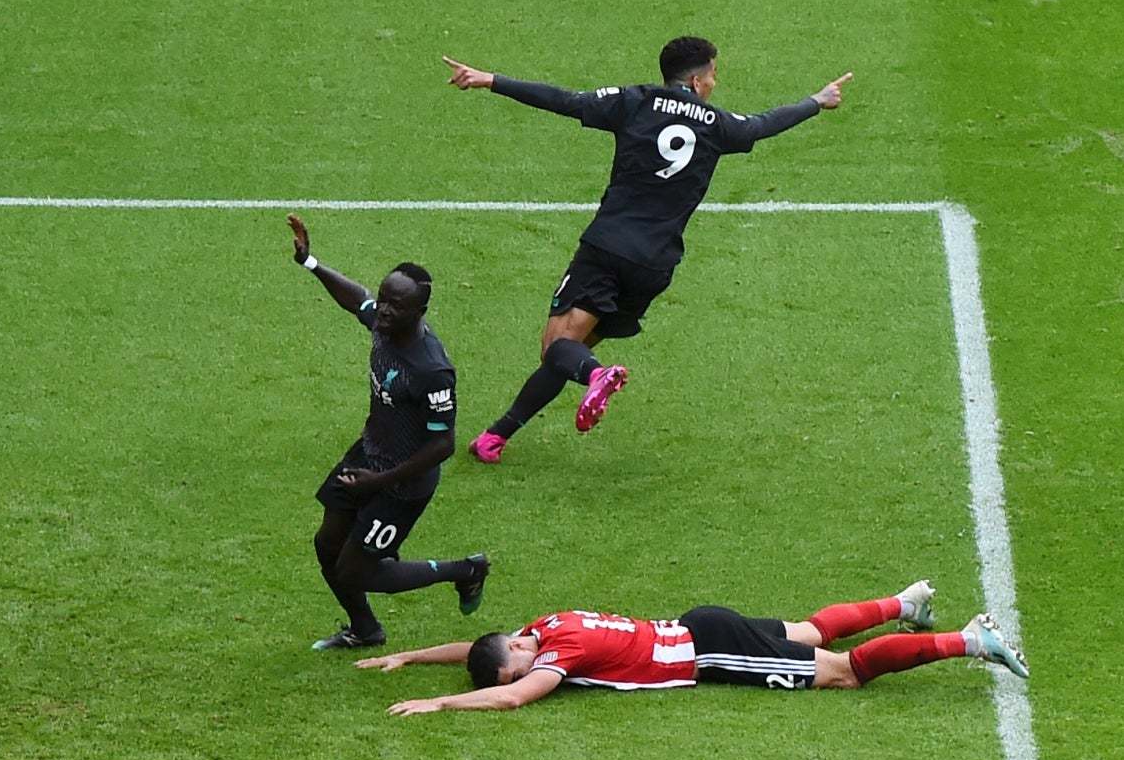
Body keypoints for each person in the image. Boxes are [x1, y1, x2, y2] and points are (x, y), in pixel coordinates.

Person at [442, 39, 853, 463]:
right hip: (656, 265)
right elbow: (764, 124)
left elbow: (564, 101)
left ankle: (598, 375)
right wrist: (816, 101)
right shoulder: (718, 123)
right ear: (696, 80)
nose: (714, 83)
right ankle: (496, 437)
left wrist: (490, 80)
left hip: (608, 247)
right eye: (713, 75)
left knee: (558, 348)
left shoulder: (634, 101)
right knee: (572, 352)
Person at [356, 580, 1030, 715]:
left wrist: (440, 701)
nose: (525, 668)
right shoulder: (546, 624)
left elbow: (506, 697)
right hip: (700, 623)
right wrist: (411, 655)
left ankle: (970, 638)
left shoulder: (556, 660)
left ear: (522, 651)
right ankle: (905, 603)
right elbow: (484, 654)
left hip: (708, 652)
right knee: (808, 630)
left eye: (518, 663)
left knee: (844, 674)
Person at [288, 215, 490, 651]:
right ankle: (365, 629)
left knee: (357, 571)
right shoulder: (383, 325)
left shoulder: (431, 369)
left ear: (419, 312)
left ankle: (465, 570)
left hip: (403, 483)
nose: (384, 310)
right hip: (367, 457)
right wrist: (311, 263)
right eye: (384, 300)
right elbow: (355, 298)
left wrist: (377, 483)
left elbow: (443, 443)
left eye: (396, 305)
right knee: (327, 545)